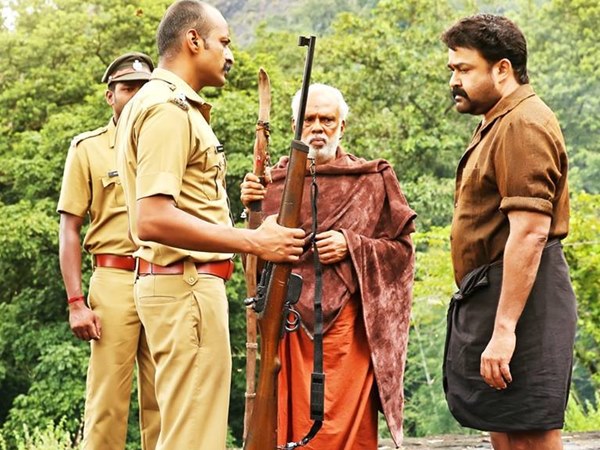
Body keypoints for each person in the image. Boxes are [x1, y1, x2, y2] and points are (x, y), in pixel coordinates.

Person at [114, 2, 305, 449]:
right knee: (194, 439)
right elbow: (153, 218)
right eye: (224, 42)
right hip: (186, 288)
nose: (230, 54)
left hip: (180, 286)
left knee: (185, 433)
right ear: (193, 40)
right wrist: (254, 241)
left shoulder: (159, 104)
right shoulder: (168, 109)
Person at [241, 83, 416, 450]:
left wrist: (352, 246)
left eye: (327, 120)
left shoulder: (371, 179)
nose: (317, 128)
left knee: (348, 431)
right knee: (291, 427)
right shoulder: (271, 184)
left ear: (342, 126)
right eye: (308, 120)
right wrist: (252, 210)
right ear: (294, 125)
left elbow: (401, 253)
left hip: (349, 334)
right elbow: (254, 267)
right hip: (288, 328)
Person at [441, 14, 577, 450]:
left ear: (502, 69)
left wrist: (504, 330)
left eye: (464, 69)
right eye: (452, 70)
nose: (454, 81)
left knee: (529, 434)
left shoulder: (523, 123)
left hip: (525, 302)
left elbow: (531, 232)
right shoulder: (498, 121)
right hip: (499, 295)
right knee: (503, 427)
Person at [57, 52, 160, 450]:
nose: (136, 96)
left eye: (144, 89)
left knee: (165, 399)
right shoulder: (88, 148)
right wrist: (75, 302)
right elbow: (69, 228)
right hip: (114, 280)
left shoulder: (168, 141)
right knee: (106, 403)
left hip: (164, 275)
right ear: (110, 95)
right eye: (127, 88)